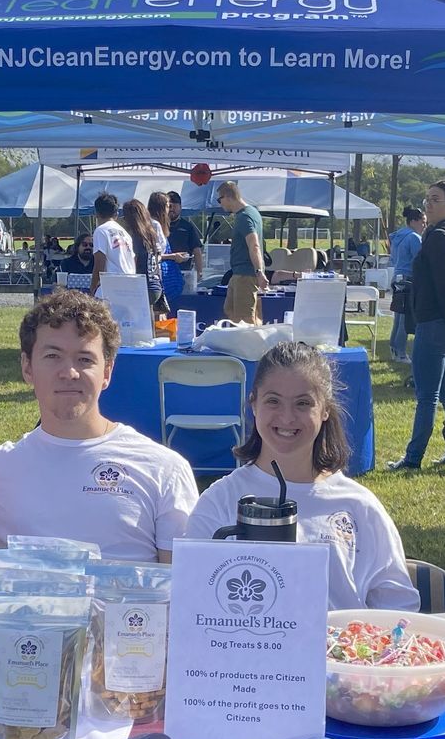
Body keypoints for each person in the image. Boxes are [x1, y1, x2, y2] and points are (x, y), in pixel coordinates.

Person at [0, 291, 197, 563]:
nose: (69, 373)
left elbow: (186, 586)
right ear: (27, 367)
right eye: (52, 356)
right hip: (31, 620)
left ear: (106, 372)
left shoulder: (163, 468)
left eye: (84, 359)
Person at [187, 342, 418, 610]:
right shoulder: (219, 501)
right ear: (254, 404)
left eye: (303, 403)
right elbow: (193, 602)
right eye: (273, 401)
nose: (287, 417)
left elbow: (398, 607)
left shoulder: (359, 505)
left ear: (325, 411)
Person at [389, 178, 445, 470]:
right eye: (427, 199)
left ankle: (413, 458)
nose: (428, 204)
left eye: (435, 199)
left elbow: (442, 286)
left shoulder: (439, 236)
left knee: (427, 397)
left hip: (438, 320)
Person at [216, 179, 268, 324]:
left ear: (227, 196)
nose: (220, 204)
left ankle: (251, 345)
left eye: (219, 200)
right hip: (239, 273)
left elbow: (254, 244)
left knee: (245, 319)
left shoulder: (245, 217)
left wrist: (259, 272)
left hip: (246, 274)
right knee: (230, 310)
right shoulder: (250, 213)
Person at [387, 206, 424, 363]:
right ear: (414, 221)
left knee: (398, 317)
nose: (424, 225)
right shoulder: (414, 237)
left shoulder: (398, 237)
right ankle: (401, 353)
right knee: (405, 319)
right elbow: (420, 259)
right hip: (409, 279)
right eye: (423, 222)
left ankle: (394, 349)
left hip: (397, 277)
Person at [122, 196, 169, 315]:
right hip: (156, 285)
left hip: (142, 286)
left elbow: (133, 263)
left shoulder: (135, 237)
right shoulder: (150, 234)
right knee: (149, 320)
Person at [89, 192, 134, 292]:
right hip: (130, 282)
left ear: (96, 213)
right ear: (116, 213)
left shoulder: (101, 231)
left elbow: (99, 262)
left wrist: (92, 288)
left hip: (112, 284)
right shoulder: (125, 233)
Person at [165, 190, 204, 288]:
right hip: (164, 274)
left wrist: (199, 272)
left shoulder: (187, 227)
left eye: (174, 206)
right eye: (169, 206)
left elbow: (197, 250)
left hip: (183, 274)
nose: (171, 209)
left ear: (180, 207)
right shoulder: (158, 226)